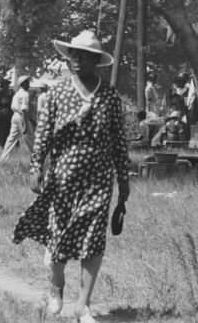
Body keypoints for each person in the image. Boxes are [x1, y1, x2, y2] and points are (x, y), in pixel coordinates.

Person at [13, 30, 129, 323]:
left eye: (85, 56)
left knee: (93, 238)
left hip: (99, 177)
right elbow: (43, 135)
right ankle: (56, 286)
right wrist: (36, 167)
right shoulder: (57, 93)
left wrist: (124, 182)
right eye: (74, 55)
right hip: (63, 174)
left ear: (96, 61)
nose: (77, 61)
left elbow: (119, 140)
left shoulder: (110, 96)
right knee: (58, 236)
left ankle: (83, 305)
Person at [0, 75, 34, 162]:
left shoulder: (17, 94)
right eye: (27, 82)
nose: (29, 84)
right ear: (23, 84)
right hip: (22, 116)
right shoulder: (25, 94)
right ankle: (36, 158)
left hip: (15, 116)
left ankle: (4, 159)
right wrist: (25, 123)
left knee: (11, 139)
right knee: (30, 138)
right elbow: (24, 109)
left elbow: (13, 106)